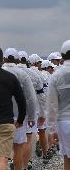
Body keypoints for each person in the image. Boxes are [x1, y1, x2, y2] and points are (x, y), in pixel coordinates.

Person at [2, 48, 37, 170]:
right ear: (16, 60)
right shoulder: (23, 74)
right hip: (19, 117)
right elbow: (31, 98)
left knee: (2, 150)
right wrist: (31, 117)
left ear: (4, 59)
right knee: (18, 147)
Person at [47, 40, 70, 170]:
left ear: (62, 55)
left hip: (64, 122)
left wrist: (51, 128)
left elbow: (51, 104)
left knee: (67, 158)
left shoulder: (56, 75)